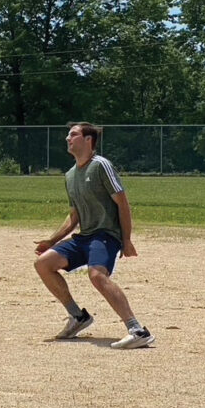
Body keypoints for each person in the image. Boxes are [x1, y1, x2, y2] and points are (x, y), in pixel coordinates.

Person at [33, 122, 155, 349]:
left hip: (106, 234)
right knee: (43, 263)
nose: (68, 138)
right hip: (84, 237)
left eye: (73, 134)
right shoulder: (70, 175)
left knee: (97, 276)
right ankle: (78, 317)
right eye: (68, 135)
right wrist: (52, 240)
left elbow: (123, 203)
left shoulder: (101, 165)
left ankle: (137, 329)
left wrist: (126, 239)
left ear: (88, 140)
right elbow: (74, 215)